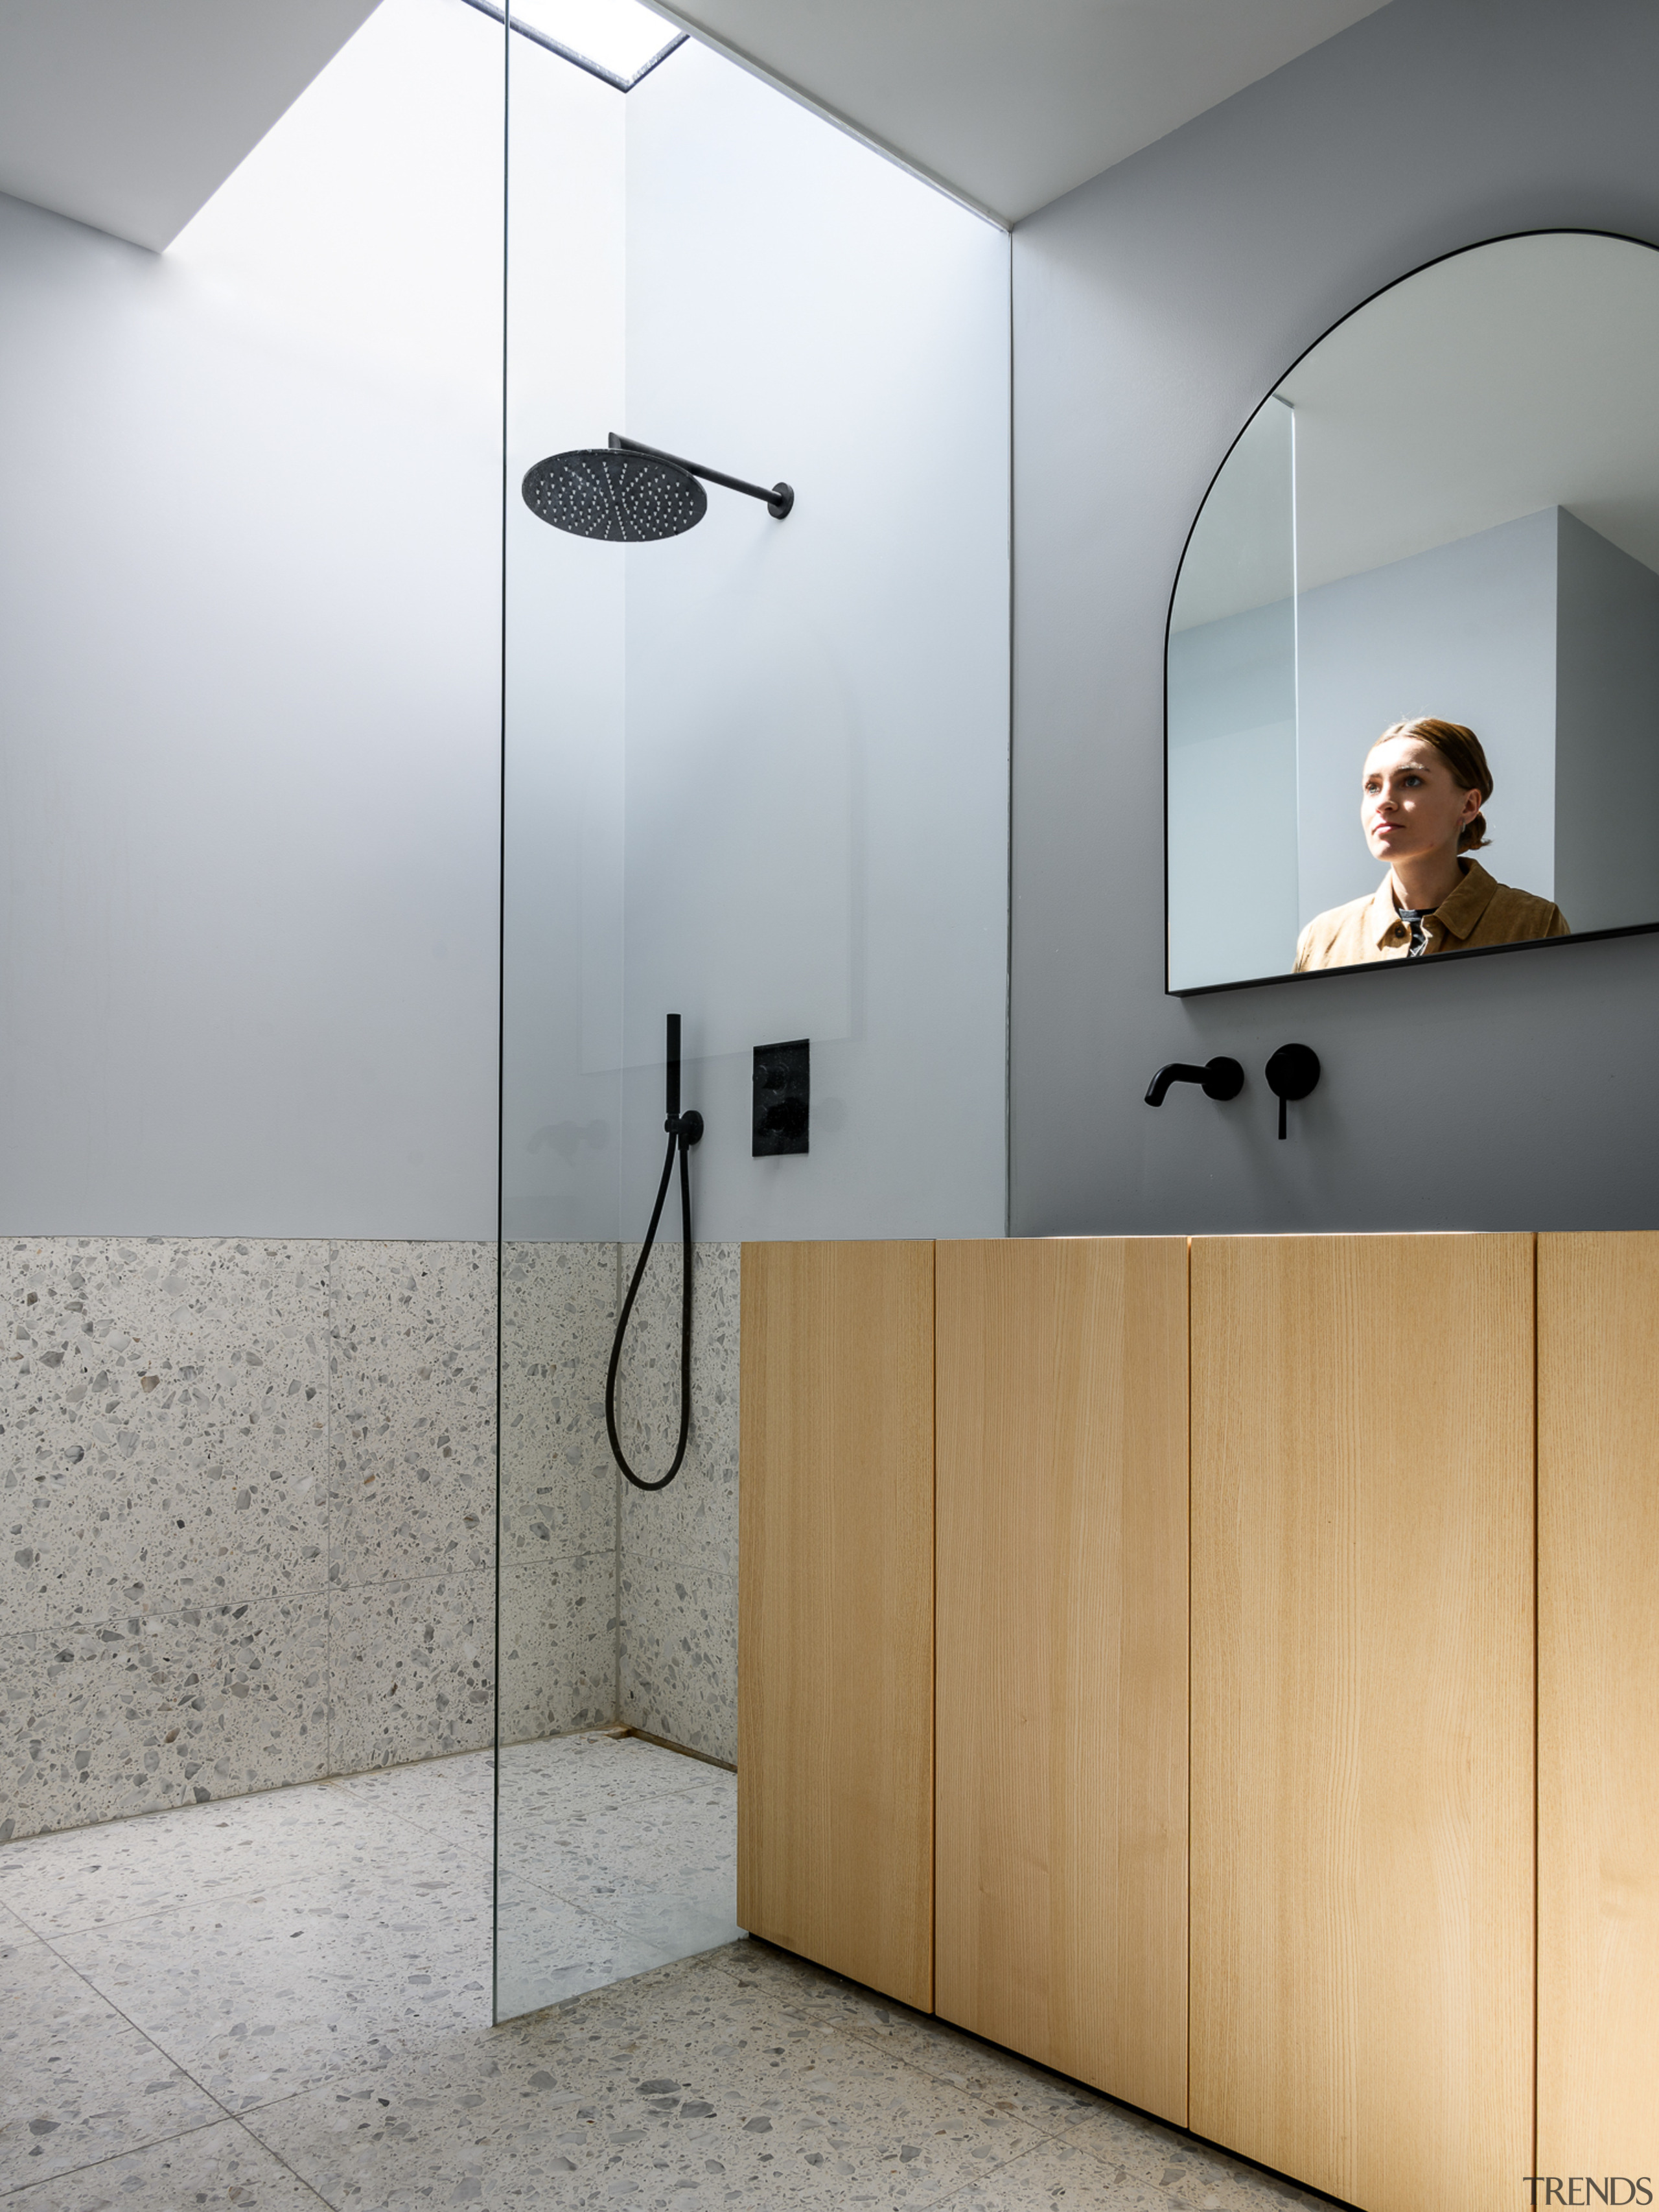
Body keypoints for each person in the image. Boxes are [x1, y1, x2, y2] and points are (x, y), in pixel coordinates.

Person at [1294, 716, 1568, 972]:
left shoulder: (1533, 924)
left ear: (1469, 804)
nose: (1384, 802)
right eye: (1373, 787)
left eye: (1411, 781)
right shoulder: (1322, 939)